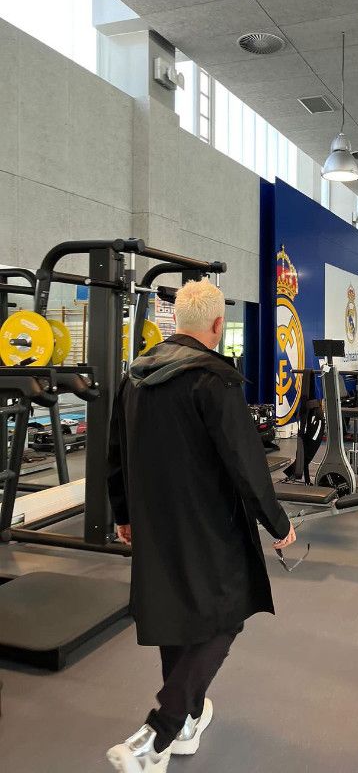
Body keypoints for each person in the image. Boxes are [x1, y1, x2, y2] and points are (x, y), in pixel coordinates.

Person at [106, 278, 296, 773]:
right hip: (209, 522)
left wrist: (123, 514)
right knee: (229, 612)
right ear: (217, 325)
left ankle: (187, 721)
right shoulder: (215, 379)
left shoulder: (135, 376)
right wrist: (277, 523)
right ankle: (160, 729)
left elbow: (114, 454)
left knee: (177, 613)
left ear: (175, 323)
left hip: (154, 522)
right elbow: (245, 463)